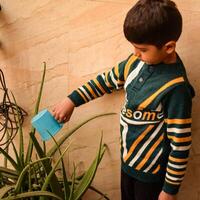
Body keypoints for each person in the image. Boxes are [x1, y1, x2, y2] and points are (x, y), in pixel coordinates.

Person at [52, 0, 195, 199]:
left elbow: (180, 144)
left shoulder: (176, 88)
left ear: (168, 47)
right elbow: (105, 81)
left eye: (143, 49)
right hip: (127, 163)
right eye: (134, 48)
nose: (136, 53)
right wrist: (72, 100)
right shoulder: (134, 63)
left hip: (152, 176)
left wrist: (169, 191)